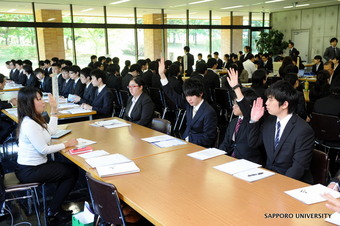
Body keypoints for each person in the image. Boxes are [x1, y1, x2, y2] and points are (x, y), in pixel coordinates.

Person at [15, 87, 79, 222]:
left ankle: (55, 206)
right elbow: (43, 149)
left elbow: (52, 130)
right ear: (29, 103)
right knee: (71, 172)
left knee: (68, 169)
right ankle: (54, 210)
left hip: (34, 166)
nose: (43, 102)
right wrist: (66, 144)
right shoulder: (29, 124)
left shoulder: (35, 118)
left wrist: (54, 109)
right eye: (39, 99)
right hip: (29, 170)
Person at [248, 80, 314, 183]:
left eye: (270, 100)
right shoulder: (269, 121)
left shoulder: (303, 130)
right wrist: (254, 120)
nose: (266, 103)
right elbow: (253, 143)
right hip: (269, 177)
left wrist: (280, 186)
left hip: (291, 182)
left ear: (284, 104)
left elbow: (298, 167)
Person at [159, 58, 217, 148]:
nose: (189, 99)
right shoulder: (189, 104)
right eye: (187, 96)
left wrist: (188, 140)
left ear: (200, 93)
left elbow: (208, 139)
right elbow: (172, 94)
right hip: (185, 143)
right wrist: (162, 75)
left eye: (192, 96)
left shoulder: (209, 112)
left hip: (198, 147)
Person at [219, 68, 262, 164]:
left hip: (247, 163)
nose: (233, 106)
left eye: (237, 104)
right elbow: (226, 143)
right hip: (230, 160)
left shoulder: (253, 122)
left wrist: (236, 88)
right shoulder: (234, 121)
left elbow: (247, 111)